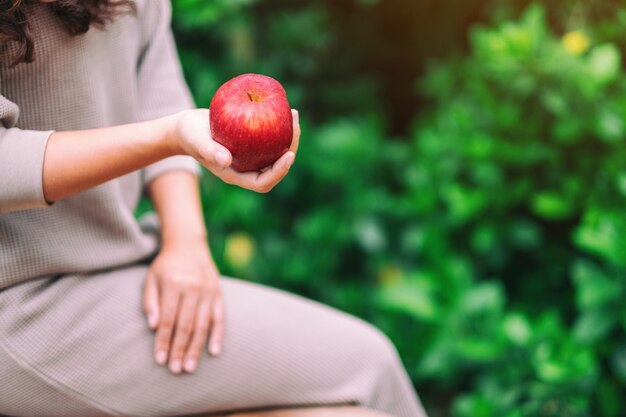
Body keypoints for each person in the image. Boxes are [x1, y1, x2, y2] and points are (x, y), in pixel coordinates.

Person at [0, 1, 427, 416]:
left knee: (368, 376)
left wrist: (186, 240)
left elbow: (156, 80)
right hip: (23, 302)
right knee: (368, 370)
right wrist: (171, 137)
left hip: (110, 267)